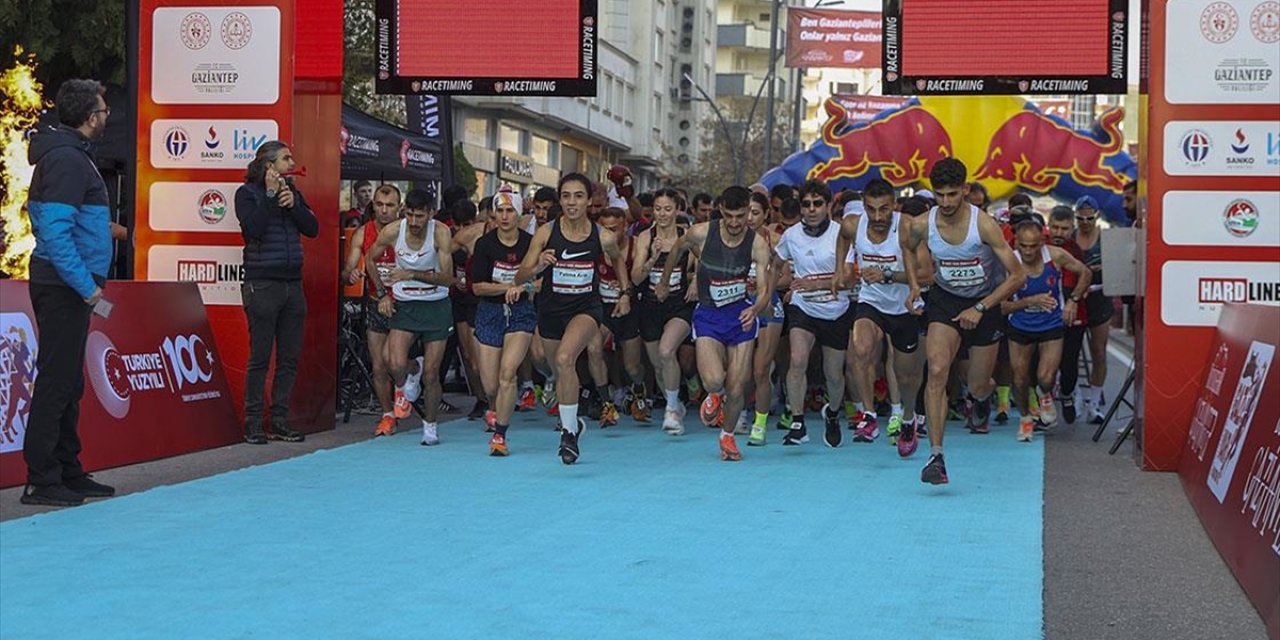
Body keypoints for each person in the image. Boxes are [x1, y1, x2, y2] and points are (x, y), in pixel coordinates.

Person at [20, 78, 116, 506]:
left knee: (68, 382)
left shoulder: (71, 156)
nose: (107, 115)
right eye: (103, 110)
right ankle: (42, 478)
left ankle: (67, 470)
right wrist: (87, 288)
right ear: (89, 117)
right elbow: (55, 234)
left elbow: (62, 223)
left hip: (68, 285)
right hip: (64, 287)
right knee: (57, 382)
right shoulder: (66, 160)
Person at [903, 158, 1025, 485]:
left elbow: (1017, 276)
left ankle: (981, 400)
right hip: (944, 301)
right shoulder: (921, 224)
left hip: (984, 303)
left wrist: (981, 308)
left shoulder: (984, 225)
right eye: (939, 195)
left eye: (952, 195)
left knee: (977, 384)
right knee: (938, 369)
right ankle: (936, 455)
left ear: (965, 191)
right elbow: (907, 245)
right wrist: (914, 286)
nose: (945, 202)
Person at [514, 173, 632, 465]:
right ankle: (575, 423)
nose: (571, 202)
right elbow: (520, 275)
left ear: (589, 201)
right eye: (566, 196)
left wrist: (625, 292)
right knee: (556, 368)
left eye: (578, 196)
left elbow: (617, 259)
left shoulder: (602, 236)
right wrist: (539, 266)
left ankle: (568, 433)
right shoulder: (545, 233)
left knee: (567, 359)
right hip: (552, 310)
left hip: (586, 308)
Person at [657, 186, 773, 461]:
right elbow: (676, 249)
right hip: (709, 314)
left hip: (741, 316)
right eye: (730, 216)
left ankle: (728, 437)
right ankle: (714, 395)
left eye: (741, 216)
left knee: (737, 387)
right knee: (713, 380)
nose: (735, 223)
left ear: (749, 212)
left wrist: (755, 308)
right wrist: (664, 281)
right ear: (721, 211)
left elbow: (765, 289)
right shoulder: (701, 233)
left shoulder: (757, 244)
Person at [835, 178, 928, 457]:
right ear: (864, 206)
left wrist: (888, 275)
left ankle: (908, 418)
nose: (877, 217)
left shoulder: (907, 227)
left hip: (904, 307)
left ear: (894, 206)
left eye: (884, 210)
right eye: (871, 209)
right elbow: (842, 238)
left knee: (905, 374)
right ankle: (869, 415)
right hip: (871, 301)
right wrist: (841, 268)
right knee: (860, 350)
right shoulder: (853, 224)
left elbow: (927, 275)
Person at [235, 140, 318, 445]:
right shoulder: (246, 194)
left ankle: (280, 420)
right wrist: (270, 198)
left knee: (289, 358)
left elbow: (312, 228)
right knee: (260, 357)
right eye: (286, 159)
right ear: (269, 165)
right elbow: (253, 230)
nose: (292, 163)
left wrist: (293, 205)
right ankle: (253, 422)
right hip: (263, 284)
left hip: (292, 285)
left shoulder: (292, 192)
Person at [364, 188, 455, 446]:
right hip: (405, 304)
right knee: (393, 363)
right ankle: (411, 372)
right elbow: (369, 260)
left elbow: (449, 279)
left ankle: (430, 424)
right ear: (405, 212)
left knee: (433, 373)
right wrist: (382, 294)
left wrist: (412, 275)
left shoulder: (440, 233)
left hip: (435, 305)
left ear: (430, 214)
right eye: (411, 215)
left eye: (420, 217)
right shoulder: (394, 231)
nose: (415, 223)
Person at [771, 179, 853, 447]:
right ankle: (797, 422)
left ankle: (831, 413)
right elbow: (775, 264)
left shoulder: (842, 234)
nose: (812, 209)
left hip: (836, 310)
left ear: (829, 206)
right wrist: (768, 292)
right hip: (803, 307)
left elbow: (850, 278)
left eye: (818, 204)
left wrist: (815, 283)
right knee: (797, 360)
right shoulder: (791, 235)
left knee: (833, 374)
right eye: (806, 204)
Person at [1002, 216, 1092, 441]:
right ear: (1016, 243)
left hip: (1051, 324)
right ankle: (1025, 418)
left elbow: (1086, 273)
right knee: (1020, 378)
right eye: (1023, 246)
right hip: (1020, 326)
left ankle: (1045, 395)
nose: (1028, 251)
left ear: (1042, 243)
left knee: (1045, 377)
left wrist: (1073, 300)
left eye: (1033, 246)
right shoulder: (1010, 263)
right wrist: (1029, 301)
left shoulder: (1055, 256)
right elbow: (1002, 307)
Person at [341, 185, 413, 437]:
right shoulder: (363, 233)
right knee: (379, 365)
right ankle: (387, 415)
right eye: (380, 205)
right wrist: (350, 275)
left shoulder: (409, 232)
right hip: (375, 302)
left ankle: (411, 375)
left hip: (403, 303)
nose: (384, 210)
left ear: (399, 208)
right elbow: (347, 269)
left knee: (395, 360)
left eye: (390, 205)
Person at [469, 189, 537, 456]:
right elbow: (477, 287)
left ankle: (500, 435)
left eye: (510, 211)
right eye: (500, 211)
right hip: (490, 312)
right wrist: (507, 286)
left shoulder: (530, 243)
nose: (505, 216)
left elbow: (542, 280)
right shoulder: (485, 244)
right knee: (491, 385)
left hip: (520, 313)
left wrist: (522, 288)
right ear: (493, 214)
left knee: (508, 374)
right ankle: (496, 410)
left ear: (519, 214)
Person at [631, 188, 697, 436]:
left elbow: (703, 263)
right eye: (658, 209)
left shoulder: (687, 236)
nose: (662, 214)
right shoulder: (645, 238)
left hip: (679, 305)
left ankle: (670, 409)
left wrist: (694, 280)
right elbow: (636, 278)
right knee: (658, 365)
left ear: (677, 209)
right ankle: (675, 402)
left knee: (667, 350)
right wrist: (652, 259)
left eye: (668, 209)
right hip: (650, 306)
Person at [741, 192, 788, 446]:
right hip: (739, 305)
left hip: (769, 306)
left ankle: (759, 423)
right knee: (741, 369)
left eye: (755, 212)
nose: (749, 218)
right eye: (745, 212)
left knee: (761, 370)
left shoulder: (777, 240)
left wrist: (765, 288)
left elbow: (787, 276)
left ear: (766, 214)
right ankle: (739, 411)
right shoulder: (732, 239)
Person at [596, 207, 649, 422]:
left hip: (630, 308)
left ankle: (638, 389)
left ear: (625, 227)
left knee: (632, 366)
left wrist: (625, 295)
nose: (610, 234)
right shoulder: (596, 245)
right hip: (603, 308)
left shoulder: (635, 246)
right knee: (594, 349)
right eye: (605, 229)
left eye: (614, 229)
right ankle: (605, 400)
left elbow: (637, 278)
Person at [1073, 195, 1112, 424]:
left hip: (1099, 297)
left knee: (1099, 351)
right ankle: (1077, 395)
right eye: (1080, 219)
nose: (1085, 223)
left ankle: (1095, 403)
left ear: (1097, 217)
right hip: (1077, 299)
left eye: (1089, 218)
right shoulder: (1070, 238)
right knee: (1071, 353)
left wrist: (1103, 267)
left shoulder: (1106, 239)